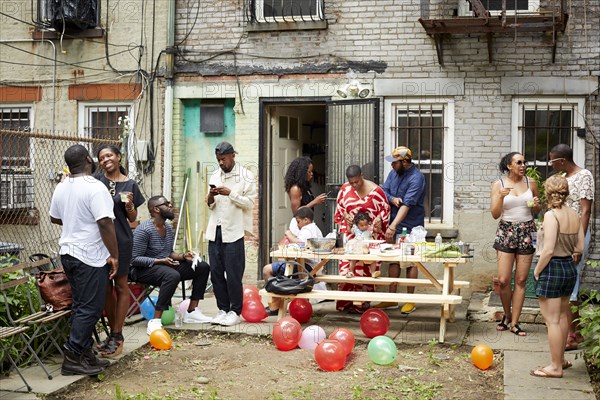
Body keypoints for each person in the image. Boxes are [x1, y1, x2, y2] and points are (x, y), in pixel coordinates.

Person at [49, 144, 118, 376]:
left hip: (68, 252)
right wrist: (115, 255)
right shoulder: (95, 187)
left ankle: (84, 355)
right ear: (89, 159)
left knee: (81, 305)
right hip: (89, 255)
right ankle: (72, 355)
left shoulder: (61, 187)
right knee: (90, 308)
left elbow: (54, 217)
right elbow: (105, 223)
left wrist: (75, 219)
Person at [130, 196, 212, 335]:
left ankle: (191, 311)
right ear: (156, 209)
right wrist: (160, 261)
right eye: (166, 204)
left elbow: (169, 252)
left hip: (163, 265)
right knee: (172, 275)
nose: (170, 205)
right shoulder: (144, 230)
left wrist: (183, 256)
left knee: (202, 267)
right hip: (141, 269)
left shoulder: (167, 228)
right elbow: (134, 259)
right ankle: (155, 321)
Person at [531, 174, 584, 378]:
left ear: (548, 193)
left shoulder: (551, 216)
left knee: (551, 321)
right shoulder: (574, 214)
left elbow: (548, 250)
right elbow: (579, 247)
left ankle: (555, 367)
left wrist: (537, 271)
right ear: (566, 193)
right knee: (562, 317)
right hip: (569, 268)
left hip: (552, 268)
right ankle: (560, 359)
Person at [95, 144, 145, 357]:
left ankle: (117, 334)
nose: (105, 159)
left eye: (109, 155)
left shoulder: (130, 184)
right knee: (106, 287)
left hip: (122, 240)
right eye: (101, 157)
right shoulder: (96, 181)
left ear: (118, 157)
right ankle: (112, 333)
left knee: (121, 285)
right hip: (98, 241)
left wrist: (130, 207)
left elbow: (132, 219)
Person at [548, 144, 594, 351]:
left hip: (576, 235)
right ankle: (574, 332)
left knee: (572, 284)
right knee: (567, 283)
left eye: (553, 161)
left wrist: (579, 243)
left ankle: (573, 335)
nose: (552, 165)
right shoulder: (564, 178)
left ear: (562, 160)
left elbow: (585, 211)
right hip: (561, 235)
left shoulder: (584, 176)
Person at [490, 152, 541, 336]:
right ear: (509, 166)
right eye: (518, 162)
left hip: (527, 231)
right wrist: (501, 197)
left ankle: (515, 323)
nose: (523, 165)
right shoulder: (499, 185)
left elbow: (537, 209)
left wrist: (536, 204)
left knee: (520, 280)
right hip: (506, 231)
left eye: (524, 162)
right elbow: (495, 214)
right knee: (503, 280)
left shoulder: (531, 183)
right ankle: (507, 314)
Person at [207, 141, 257, 326]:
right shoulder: (214, 175)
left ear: (233, 156)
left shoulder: (246, 176)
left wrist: (230, 193)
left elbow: (250, 203)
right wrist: (211, 196)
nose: (221, 163)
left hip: (234, 231)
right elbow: (210, 205)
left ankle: (235, 311)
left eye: (223, 159)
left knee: (234, 273)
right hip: (215, 231)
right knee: (216, 272)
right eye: (218, 160)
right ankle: (222, 309)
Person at [334, 165, 390, 313]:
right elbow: (339, 211)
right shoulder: (345, 190)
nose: (354, 185)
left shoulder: (376, 192)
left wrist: (378, 221)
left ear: (362, 176)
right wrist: (345, 216)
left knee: (366, 269)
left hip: (369, 236)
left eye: (357, 182)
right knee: (347, 269)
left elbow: (385, 212)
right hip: (350, 236)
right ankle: (345, 303)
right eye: (351, 182)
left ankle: (361, 304)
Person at [381, 146, 426, 313]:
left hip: (411, 226)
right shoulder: (394, 173)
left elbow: (407, 204)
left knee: (409, 262)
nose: (391, 165)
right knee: (393, 260)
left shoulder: (416, 178)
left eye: (394, 162)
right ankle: (391, 300)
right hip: (393, 223)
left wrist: (392, 227)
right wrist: (392, 199)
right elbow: (383, 190)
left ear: (405, 161)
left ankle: (410, 301)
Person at [263, 207, 323, 315]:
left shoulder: (308, 229)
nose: (298, 225)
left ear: (306, 220)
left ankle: (275, 306)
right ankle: (278, 303)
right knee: (282, 271)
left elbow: (302, 245)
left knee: (267, 269)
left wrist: (290, 236)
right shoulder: (314, 229)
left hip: (306, 267)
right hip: (310, 266)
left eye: (298, 222)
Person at [284, 156, 328, 235]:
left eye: (312, 171)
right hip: (300, 226)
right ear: (301, 172)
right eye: (309, 172)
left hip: (307, 224)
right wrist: (315, 202)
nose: (312, 174)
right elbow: (296, 212)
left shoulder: (305, 187)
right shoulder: (295, 189)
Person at [346, 212, 379, 278]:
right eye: (362, 225)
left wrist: (376, 226)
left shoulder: (369, 229)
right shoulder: (355, 229)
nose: (364, 227)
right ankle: (351, 272)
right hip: (358, 247)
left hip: (367, 247)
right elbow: (349, 231)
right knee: (353, 259)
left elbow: (377, 230)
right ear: (357, 225)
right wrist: (349, 225)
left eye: (366, 225)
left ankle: (373, 273)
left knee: (373, 260)